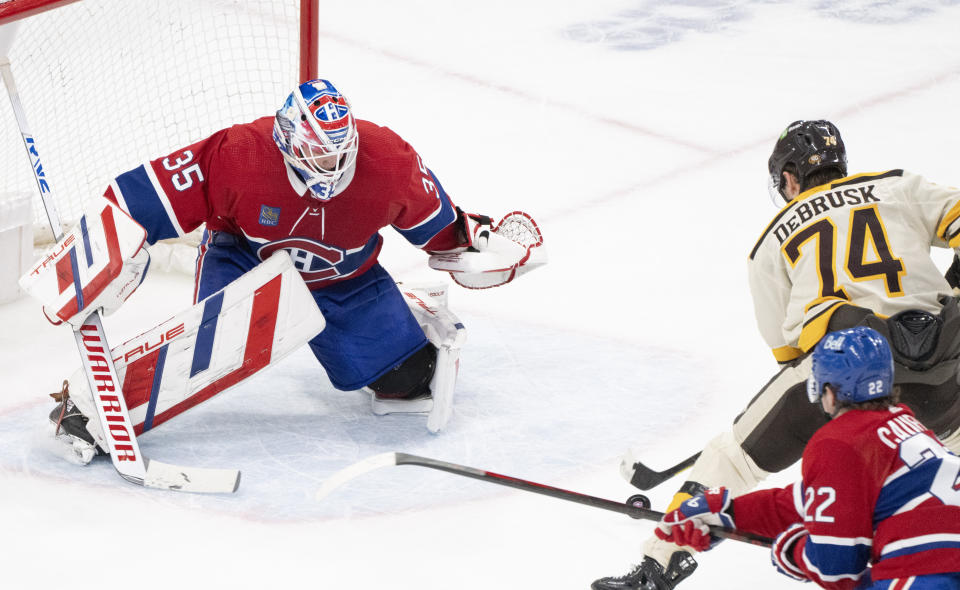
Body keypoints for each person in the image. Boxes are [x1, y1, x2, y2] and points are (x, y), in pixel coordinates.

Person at [32, 79, 544, 460]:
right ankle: (86, 408)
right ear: (289, 140)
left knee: (408, 381)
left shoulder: (387, 159)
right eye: (319, 155)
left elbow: (441, 228)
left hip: (346, 279)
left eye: (340, 154)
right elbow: (133, 198)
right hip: (244, 262)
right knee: (210, 349)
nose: (332, 168)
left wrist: (477, 246)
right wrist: (101, 256)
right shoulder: (239, 154)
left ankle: (408, 307)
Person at [595, 120, 960, 589]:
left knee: (733, 457)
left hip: (843, 364)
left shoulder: (771, 242)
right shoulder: (899, 187)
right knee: (936, 468)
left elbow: (789, 352)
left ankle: (659, 564)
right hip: (946, 371)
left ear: (789, 178)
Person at [651, 327, 960, 589]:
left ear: (828, 390)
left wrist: (791, 549)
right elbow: (817, 502)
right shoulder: (903, 423)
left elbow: (835, 568)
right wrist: (729, 512)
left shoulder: (840, 442)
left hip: (932, 570)